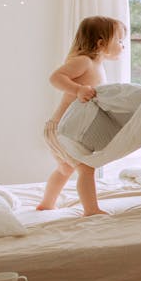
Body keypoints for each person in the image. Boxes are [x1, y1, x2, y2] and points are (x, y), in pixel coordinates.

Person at [38, 15, 126, 215]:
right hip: (60, 129)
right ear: (101, 43)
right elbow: (55, 77)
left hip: (64, 129)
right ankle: (91, 210)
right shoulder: (84, 61)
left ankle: (47, 203)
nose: (123, 45)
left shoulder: (97, 66)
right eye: (119, 40)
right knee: (86, 167)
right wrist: (78, 89)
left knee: (65, 170)